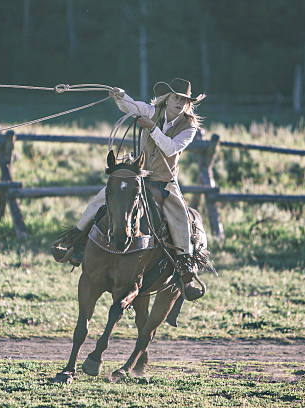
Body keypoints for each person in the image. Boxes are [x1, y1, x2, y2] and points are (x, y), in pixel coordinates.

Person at [52, 78, 206, 301]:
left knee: (180, 216)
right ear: (167, 98)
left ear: (188, 104)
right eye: (176, 98)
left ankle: (185, 269)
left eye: (184, 100)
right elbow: (131, 106)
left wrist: (152, 128)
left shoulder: (189, 126)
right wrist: (120, 95)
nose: (179, 103)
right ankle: (74, 243)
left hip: (165, 182)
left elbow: (171, 149)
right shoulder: (152, 110)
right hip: (139, 176)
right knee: (100, 200)